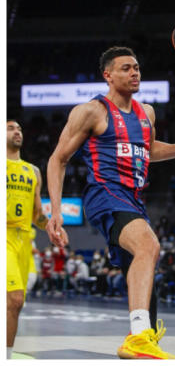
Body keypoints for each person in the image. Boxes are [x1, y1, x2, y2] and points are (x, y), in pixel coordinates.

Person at [45, 46, 175, 359]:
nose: (134, 72)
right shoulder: (91, 111)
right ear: (108, 75)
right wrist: (55, 211)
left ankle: (142, 341)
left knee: (144, 271)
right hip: (104, 194)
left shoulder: (146, 112)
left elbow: (149, 150)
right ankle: (137, 336)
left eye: (136, 67)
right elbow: (58, 159)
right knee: (149, 247)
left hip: (133, 199)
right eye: (126, 68)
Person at [7, 120, 68, 359]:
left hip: (24, 240)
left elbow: (36, 214)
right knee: (14, 299)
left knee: (16, 304)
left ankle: (6, 355)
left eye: (20, 128)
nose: (17, 131)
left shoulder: (32, 171)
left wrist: (51, 227)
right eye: (10, 128)